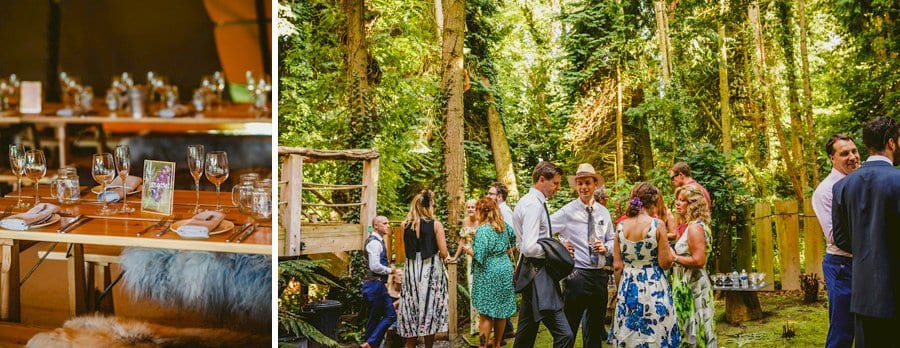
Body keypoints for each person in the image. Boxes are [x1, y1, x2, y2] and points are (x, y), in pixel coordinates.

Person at [832, 117, 900, 347]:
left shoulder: (842, 186)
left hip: (862, 295)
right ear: (891, 143)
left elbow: (841, 238)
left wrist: (866, 247)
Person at [550, 163, 613, 348]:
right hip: (577, 275)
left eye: (587, 183)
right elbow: (543, 228)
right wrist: (560, 244)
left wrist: (606, 247)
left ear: (595, 185)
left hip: (599, 275)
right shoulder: (567, 211)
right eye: (580, 183)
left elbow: (612, 239)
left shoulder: (604, 212)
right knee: (569, 326)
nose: (583, 187)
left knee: (595, 328)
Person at [512, 161, 574, 348]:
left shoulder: (527, 201)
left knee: (525, 337)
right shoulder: (533, 205)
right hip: (538, 277)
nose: (558, 187)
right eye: (555, 183)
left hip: (530, 274)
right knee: (565, 336)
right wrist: (557, 250)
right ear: (541, 180)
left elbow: (523, 243)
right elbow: (529, 248)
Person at [612, 182, 680, 347]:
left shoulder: (620, 226)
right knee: (656, 331)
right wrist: (671, 256)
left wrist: (621, 288)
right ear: (654, 201)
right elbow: (664, 263)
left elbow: (617, 266)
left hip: (628, 287)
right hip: (653, 286)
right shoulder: (657, 225)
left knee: (629, 334)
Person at [812, 133, 860, 348]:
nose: (852, 157)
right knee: (843, 329)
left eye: (854, 151)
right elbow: (835, 236)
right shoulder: (825, 191)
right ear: (831, 158)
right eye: (844, 153)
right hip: (842, 266)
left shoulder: (863, 181)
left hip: (866, 263)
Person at [459, 197, 517, 348]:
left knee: (485, 314)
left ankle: (483, 346)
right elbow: (514, 243)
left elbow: (480, 256)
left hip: (488, 272)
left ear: (480, 211)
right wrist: (501, 255)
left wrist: (467, 250)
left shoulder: (483, 230)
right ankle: (497, 343)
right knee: (501, 311)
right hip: (504, 269)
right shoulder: (504, 226)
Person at [397, 190, 450, 348]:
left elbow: (404, 250)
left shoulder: (404, 225)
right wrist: (446, 256)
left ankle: (410, 346)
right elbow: (443, 252)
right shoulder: (436, 225)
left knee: (411, 307)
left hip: (412, 269)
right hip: (430, 268)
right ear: (428, 207)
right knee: (429, 305)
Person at [670, 187, 716, 347]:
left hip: (693, 284)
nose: (677, 203)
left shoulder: (695, 227)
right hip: (687, 282)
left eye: (682, 200)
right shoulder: (695, 225)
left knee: (694, 328)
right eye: (677, 199)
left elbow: (699, 260)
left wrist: (674, 257)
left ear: (693, 205)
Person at [360, 216, 397, 348]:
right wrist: (390, 270)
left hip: (373, 285)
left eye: (388, 223)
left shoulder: (377, 241)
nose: (388, 225)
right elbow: (374, 266)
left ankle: (368, 344)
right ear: (376, 226)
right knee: (390, 316)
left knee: (373, 319)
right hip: (375, 285)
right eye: (385, 223)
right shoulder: (375, 243)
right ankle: (371, 343)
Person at [487, 181, 517, 341]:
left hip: (502, 261)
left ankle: (500, 336)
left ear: (499, 196)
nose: (488, 196)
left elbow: (514, 239)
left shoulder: (505, 212)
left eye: (491, 193)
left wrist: (502, 255)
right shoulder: (496, 211)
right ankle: (507, 330)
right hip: (496, 261)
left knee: (499, 297)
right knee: (498, 296)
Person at [668, 162, 711, 240]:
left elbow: (700, 216)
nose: (672, 181)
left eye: (672, 178)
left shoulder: (693, 190)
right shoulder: (698, 188)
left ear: (681, 175)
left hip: (691, 237)